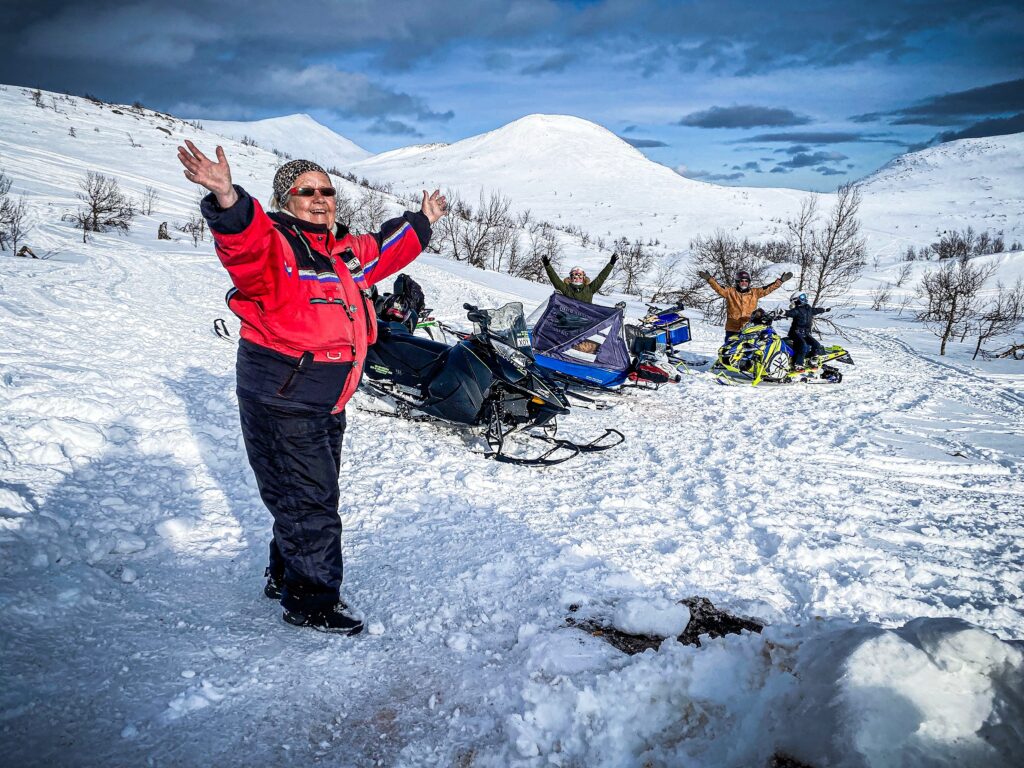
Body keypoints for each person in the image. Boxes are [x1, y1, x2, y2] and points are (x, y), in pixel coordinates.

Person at [178, 140, 447, 635]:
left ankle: (285, 575)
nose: (321, 199)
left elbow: (387, 249)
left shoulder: (343, 249)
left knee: (304, 495)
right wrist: (227, 198)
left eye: (327, 190)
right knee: (310, 502)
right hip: (284, 396)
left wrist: (423, 220)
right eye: (307, 192)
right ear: (286, 200)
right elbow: (245, 245)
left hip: (326, 398)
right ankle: (311, 601)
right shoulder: (277, 245)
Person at [698, 268, 793, 342]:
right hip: (733, 327)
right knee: (729, 348)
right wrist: (709, 279)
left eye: (746, 281)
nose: (744, 282)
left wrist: (780, 281)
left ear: (749, 282)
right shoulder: (730, 292)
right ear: (737, 282)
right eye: (741, 280)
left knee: (747, 349)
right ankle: (724, 365)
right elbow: (718, 288)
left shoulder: (755, 292)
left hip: (748, 327)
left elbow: (769, 288)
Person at [542, 253, 617, 303]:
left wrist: (611, 264)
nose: (577, 277)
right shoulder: (565, 288)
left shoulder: (590, 289)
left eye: (579, 275)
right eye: (574, 275)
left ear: (584, 277)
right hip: (567, 321)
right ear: (570, 277)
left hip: (585, 322)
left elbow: (601, 278)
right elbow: (555, 279)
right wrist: (547, 265)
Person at [784, 291, 830, 370]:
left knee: (817, 345)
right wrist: (784, 312)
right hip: (796, 333)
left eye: (804, 296)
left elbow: (816, 310)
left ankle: (811, 360)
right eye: (802, 297)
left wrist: (824, 309)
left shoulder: (808, 309)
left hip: (805, 333)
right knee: (803, 345)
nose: (805, 299)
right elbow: (790, 313)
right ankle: (798, 364)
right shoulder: (797, 310)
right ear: (796, 300)